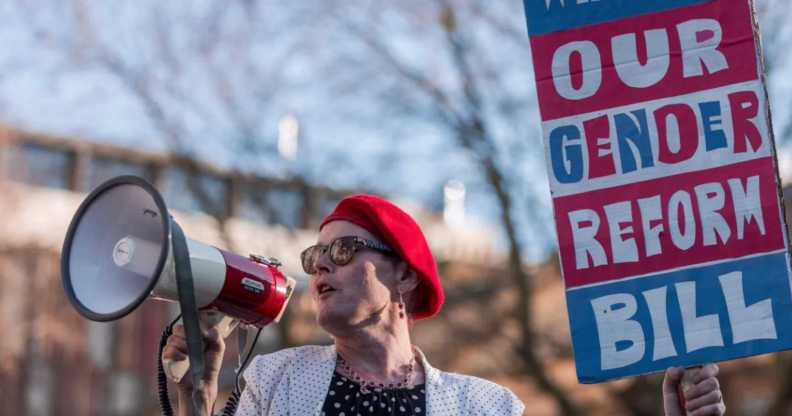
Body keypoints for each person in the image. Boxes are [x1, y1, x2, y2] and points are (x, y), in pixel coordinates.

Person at [163, 194, 726, 415]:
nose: (321, 267)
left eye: (341, 249)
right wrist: (196, 400)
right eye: (315, 257)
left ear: (403, 273)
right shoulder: (274, 378)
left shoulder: (488, 408)